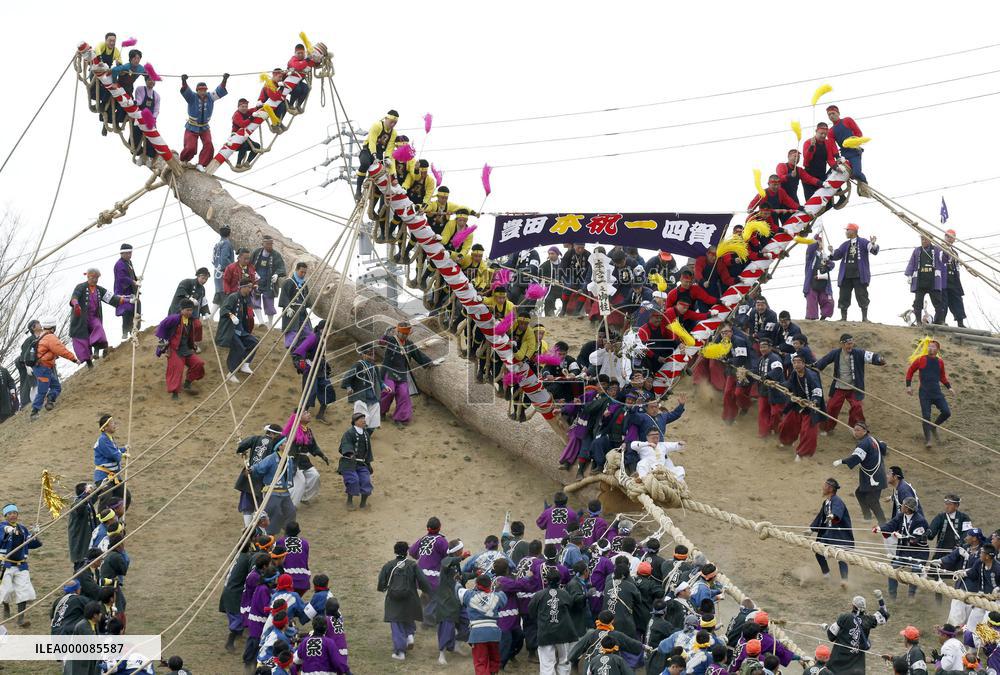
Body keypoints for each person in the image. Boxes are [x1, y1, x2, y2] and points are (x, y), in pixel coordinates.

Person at [815, 333, 885, 434]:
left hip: (854, 388)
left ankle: (856, 429)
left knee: (857, 407)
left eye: (851, 343)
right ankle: (826, 428)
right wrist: (815, 367)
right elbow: (824, 361)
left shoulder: (859, 353)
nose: (850, 346)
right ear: (842, 344)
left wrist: (879, 359)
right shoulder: (835, 353)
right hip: (839, 386)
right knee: (831, 406)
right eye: (848, 344)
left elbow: (872, 356)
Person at [377, 541, 430, 661]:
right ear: (406, 552)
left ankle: (400, 652)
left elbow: (381, 583)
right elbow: (422, 581)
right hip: (410, 598)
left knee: (396, 624)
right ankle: (410, 635)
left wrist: (382, 588)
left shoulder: (388, 565)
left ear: (395, 551)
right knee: (408, 617)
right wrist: (427, 591)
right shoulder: (412, 565)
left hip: (393, 600)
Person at [379, 321, 435, 426]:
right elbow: (381, 344)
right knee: (389, 391)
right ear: (398, 332)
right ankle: (381, 412)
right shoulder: (391, 340)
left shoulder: (409, 344)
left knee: (404, 394)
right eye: (402, 333)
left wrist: (429, 362)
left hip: (402, 373)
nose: (404, 335)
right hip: (389, 370)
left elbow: (418, 354)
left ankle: (399, 419)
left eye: (406, 334)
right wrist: (385, 334)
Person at [70, 268, 128, 367]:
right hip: (81, 319)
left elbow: (111, 298)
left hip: (93, 316)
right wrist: (76, 304)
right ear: (88, 276)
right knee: (82, 340)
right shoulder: (80, 287)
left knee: (98, 327)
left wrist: (126, 300)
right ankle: (89, 362)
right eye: (93, 277)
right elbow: (75, 297)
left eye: (97, 278)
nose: (95, 280)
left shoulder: (99, 290)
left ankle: (96, 350)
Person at [876, 496, 929, 600]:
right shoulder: (901, 516)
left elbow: (915, 539)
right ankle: (892, 596)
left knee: (915, 571)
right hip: (903, 552)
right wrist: (880, 528)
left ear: (908, 508)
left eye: (903, 505)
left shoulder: (920, 521)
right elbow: (891, 525)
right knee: (892, 569)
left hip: (918, 553)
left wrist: (903, 537)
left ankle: (911, 596)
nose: (901, 506)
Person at [833, 421, 888, 522]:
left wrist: (842, 461)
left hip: (874, 477)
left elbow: (856, 457)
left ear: (865, 431)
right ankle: (867, 516)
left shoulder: (863, 444)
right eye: (854, 430)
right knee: (860, 493)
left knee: (873, 501)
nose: (855, 432)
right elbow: (883, 446)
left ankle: (884, 524)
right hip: (876, 474)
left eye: (858, 430)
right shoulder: (872, 439)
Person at [905, 339, 954, 448]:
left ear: (937, 350)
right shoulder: (921, 359)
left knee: (947, 412)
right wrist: (908, 386)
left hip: (937, 393)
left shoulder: (940, 362)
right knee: (926, 416)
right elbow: (910, 371)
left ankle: (933, 426)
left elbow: (942, 376)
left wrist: (949, 387)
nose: (930, 348)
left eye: (933, 347)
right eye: (929, 346)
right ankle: (928, 440)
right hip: (924, 393)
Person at [529, 567, 578, 675]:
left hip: (545, 632)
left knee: (547, 663)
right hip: (563, 632)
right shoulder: (565, 594)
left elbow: (531, 611)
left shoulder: (539, 595)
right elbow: (571, 607)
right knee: (564, 660)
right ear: (559, 581)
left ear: (546, 581)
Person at [154, 299, 205, 400]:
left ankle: (187, 383)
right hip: (174, 349)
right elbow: (162, 326)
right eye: (187, 310)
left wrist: (194, 343)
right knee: (177, 369)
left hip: (186, 349)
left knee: (198, 363)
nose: (190, 312)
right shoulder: (173, 319)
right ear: (181, 310)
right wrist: (163, 341)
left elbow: (197, 328)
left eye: (191, 310)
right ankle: (175, 392)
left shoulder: (191, 320)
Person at [826, 592, 889, 673]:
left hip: (838, 662)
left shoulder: (844, 617)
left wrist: (827, 627)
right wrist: (880, 598)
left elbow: (831, 636)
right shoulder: (869, 620)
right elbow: (884, 614)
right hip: (857, 666)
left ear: (853, 606)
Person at [1, 503, 41, 627]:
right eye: (10, 514)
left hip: (21, 565)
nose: (13, 515)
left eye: (15, 513)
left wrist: (34, 536)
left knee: (24, 590)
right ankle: (6, 606)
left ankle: (20, 619)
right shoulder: (2, 527)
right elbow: (1, 538)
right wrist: (7, 531)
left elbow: (31, 544)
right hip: (5, 564)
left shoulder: (22, 529)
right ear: (5, 516)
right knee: (6, 590)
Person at [778, 353, 824, 459]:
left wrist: (814, 402)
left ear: (804, 364)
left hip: (810, 407)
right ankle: (786, 442)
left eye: (799, 362)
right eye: (794, 362)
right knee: (787, 423)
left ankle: (803, 454)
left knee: (808, 431)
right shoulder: (794, 373)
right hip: (797, 404)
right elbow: (789, 384)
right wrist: (778, 384)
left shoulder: (811, 375)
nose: (796, 364)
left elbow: (817, 390)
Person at [30, 318, 78, 420]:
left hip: (43, 368)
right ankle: (34, 412)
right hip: (42, 368)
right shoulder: (50, 337)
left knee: (56, 387)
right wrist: (74, 359)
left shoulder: (42, 336)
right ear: (53, 327)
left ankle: (49, 401)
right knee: (42, 390)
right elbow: (61, 350)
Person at [459, 574, 507, 675]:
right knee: (494, 659)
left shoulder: (469, 595)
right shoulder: (498, 596)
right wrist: (497, 589)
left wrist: (458, 580)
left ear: (476, 584)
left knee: (481, 662)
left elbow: (458, 589)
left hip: (478, 633)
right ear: (490, 585)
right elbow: (503, 597)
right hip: (494, 633)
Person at [829, 223, 879, 321]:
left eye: (847, 230)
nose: (846, 232)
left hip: (859, 274)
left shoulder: (864, 242)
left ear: (853, 231)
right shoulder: (845, 244)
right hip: (846, 274)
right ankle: (843, 318)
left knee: (862, 295)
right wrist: (832, 252)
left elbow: (873, 250)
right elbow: (836, 255)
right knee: (844, 295)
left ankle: (864, 318)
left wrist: (873, 244)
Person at [809, 477, 853, 587]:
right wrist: (811, 529)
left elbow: (837, 512)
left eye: (825, 486)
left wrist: (833, 515)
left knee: (840, 556)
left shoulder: (837, 501)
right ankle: (826, 574)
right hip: (828, 534)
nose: (823, 488)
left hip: (839, 535)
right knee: (818, 550)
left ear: (830, 488)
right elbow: (820, 517)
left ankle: (844, 580)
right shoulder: (826, 502)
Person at [179, 73, 229, 168]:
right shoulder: (192, 97)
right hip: (192, 126)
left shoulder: (210, 96)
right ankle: (184, 160)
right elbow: (186, 89)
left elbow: (219, 90)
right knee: (190, 147)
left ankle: (202, 164)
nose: (203, 92)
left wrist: (224, 79)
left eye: (204, 90)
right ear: (197, 90)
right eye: (201, 90)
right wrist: (184, 81)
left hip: (205, 127)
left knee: (209, 144)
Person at [283, 410, 328, 507]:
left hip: (303, 460)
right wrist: (291, 462)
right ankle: (291, 505)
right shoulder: (292, 431)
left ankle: (304, 497)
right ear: (297, 417)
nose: (309, 414)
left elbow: (313, 446)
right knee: (300, 482)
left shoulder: (308, 431)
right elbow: (289, 448)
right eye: (305, 413)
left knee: (315, 476)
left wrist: (322, 455)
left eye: (308, 412)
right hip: (293, 460)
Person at [216, 277, 258, 383]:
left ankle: (245, 364)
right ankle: (231, 373)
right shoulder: (233, 297)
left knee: (254, 342)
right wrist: (231, 315)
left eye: (251, 287)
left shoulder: (245, 299)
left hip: (241, 330)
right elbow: (224, 309)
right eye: (248, 287)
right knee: (239, 347)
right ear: (242, 287)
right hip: (231, 330)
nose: (250, 290)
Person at [904, 235, 948, 325]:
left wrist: (945, 250)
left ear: (930, 240)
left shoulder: (937, 250)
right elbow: (911, 263)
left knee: (938, 302)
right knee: (918, 302)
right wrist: (909, 275)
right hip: (920, 279)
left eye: (925, 239)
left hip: (933, 280)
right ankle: (919, 321)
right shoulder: (917, 250)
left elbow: (944, 259)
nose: (923, 241)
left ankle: (940, 320)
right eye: (922, 239)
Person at [355, 110, 399, 200]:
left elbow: (389, 148)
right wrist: (374, 155)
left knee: (382, 178)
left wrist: (387, 158)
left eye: (395, 123)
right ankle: (358, 190)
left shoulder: (393, 133)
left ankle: (373, 206)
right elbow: (372, 141)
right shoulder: (377, 125)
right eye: (391, 122)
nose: (393, 124)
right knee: (365, 163)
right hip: (367, 151)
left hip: (379, 154)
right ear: (386, 119)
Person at [341, 343, 383, 432]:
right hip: (360, 395)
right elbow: (348, 376)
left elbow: (379, 380)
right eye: (369, 354)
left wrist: (384, 386)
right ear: (363, 355)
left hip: (372, 395)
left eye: (373, 354)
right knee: (362, 416)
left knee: (374, 415)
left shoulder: (374, 366)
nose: (371, 357)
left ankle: (368, 433)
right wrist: (348, 387)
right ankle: (358, 432)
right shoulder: (358, 365)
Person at [338, 412, 374, 510]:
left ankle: (363, 503)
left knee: (366, 480)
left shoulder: (366, 434)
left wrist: (368, 463)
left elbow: (368, 450)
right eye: (360, 419)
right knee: (353, 480)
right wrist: (350, 453)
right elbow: (346, 444)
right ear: (355, 422)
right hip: (349, 463)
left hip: (362, 463)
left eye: (364, 418)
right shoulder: (349, 433)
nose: (363, 420)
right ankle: (349, 501)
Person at [249, 235, 287, 328]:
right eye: (267, 244)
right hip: (257, 282)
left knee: (269, 303)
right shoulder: (256, 253)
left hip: (269, 283)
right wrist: (252, 274)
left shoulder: (276, 255)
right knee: (255, 301)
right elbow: (250, 264)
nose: (270, 246)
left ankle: (270, 324)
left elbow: (281, 267)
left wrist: (277, 274)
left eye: (271, 244)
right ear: (263, 244)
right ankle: (261, 321)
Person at [826, 105, 867, 184]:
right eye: (829, 114)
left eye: (833, 113)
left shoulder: (847, 120)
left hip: (854, 151)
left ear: (838, 113)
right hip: (844, 155)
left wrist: (854, 141)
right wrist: (837, 157)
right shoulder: (830, 131)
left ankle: (864, 184)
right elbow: (832, 146)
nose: (831, 116)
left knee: (856, 173)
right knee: (830, 175)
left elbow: (859, 133)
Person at [278, 261, 313, 349]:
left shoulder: (304, 284)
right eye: (302, 272)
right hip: (292, 310)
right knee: (292, 331)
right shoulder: (288, 282)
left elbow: (306, 298)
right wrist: (287, 307)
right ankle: (291, 349)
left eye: (305, 272)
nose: (303, 274)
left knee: (308, 332)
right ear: (296, 270)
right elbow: (284, 296)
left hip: (302, 311)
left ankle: (304, 348)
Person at [802, 123, 839, 199]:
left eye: (825, 134)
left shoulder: (827, 143)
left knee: (827, 202)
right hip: (809, 176)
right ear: (816, 131)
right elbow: (806, 160)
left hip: (822, 175)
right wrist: (811, 147)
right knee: (811, 200)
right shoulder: (808, 142)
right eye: (821, 133)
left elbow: (830, 159)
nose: (823, 136)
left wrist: (836, 167)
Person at [804, 234, 836, 320]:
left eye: (821, 242)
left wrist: (827, 262)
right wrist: (816, 237)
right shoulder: (810, 255)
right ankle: (812, 320)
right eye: (819, 242)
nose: (820, 244)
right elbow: (810, 247)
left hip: (824, 283)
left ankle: (823, 318)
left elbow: (832, 265)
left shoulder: (824, 256)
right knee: (812, 302)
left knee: (829, 302)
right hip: (812, 283)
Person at [113, 244, 139, 338]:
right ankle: (125, 332)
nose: (129, 255)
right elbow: (122, 278)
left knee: (135, 309)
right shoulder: (119, 264)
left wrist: (136, 279)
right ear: (122, 253)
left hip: (131, 289)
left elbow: (132, 274)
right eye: (127, 253)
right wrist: (133, 282)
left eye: (130, 253)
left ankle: (134, 329)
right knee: (126, 310)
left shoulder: (129, 262)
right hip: (123, 291)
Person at [941, 229, 966, 327]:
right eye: (949, 237)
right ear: (945, 237)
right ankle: (941, 320)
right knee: (944, 300)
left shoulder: (955, 252)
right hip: (944, 277)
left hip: (954, 278)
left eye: (952, 238)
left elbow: (957, 266)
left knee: (957, 300)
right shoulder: (939, 248)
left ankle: (960, 322)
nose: (951, 239)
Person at [232, 98, 261, 166]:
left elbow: (253, 110)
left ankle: (247, 162)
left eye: (246, 107)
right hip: (235, 138)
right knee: (244, 146)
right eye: (242, 107)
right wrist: (251, 118)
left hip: (244, 137)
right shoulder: (236, 115)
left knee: (257, 146)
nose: (244, 108)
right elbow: (242, 124)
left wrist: (258, 107)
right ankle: (238, 163)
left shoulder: (247, 111)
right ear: (238, 107)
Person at [212, 226, 235, 305]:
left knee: (219, 295)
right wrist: (232, 268)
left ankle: (210, 316)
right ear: (229, 233)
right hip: (224, 273)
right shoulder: (226, 243)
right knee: (226, 296)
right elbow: (224, 259)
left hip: (216, 273)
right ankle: (228, 316)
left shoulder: (216, 244)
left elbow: (213, 260)